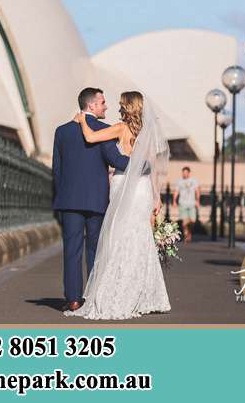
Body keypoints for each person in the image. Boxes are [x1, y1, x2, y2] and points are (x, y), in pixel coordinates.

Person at [64, 91, 171, 320]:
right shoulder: (147, 131)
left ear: (127, 106)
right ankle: (142, 294)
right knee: (140, 236)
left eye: (121, 103)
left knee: (118, 237)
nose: (117, 106)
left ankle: (119, 291)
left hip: (124, 185)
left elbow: (91, 138)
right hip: (142, 188)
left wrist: (83, 120)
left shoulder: (121, 128)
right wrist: (156, 196)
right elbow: (150, 166)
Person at [52, 88, 130, 312]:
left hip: (69, 200)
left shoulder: (62, 131)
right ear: (92, 106)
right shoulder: (104, 130)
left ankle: (74, 299)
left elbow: (57, 169)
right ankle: (94, 296)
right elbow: (114, 159)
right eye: (103, 102)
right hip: (96, 199)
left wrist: (61, 196)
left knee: (71, 250)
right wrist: (142, 164)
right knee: (95, 249)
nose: (106, 106)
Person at [173, 166, 200, 243]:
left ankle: (189, 232)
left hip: (192, 203)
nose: (184, 174)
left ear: (189, 173)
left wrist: (198, 201)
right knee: (184, 222)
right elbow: (176, 191)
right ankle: (186, 235)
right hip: (183, 203)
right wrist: (174, 201)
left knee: (193, 220)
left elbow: (197, 191)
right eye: (183, 173)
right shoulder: (179, 181)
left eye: (186, 173)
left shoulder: (194, 181)